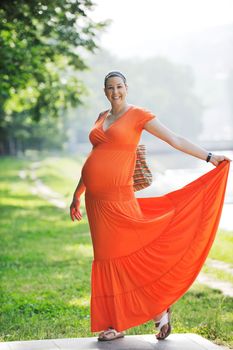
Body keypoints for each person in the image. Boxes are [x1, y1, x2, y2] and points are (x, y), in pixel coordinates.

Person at [70, 71, 231, 341]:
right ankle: (120, 322)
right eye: (110, 88)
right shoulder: (101, 116)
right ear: (104, 90)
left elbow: (174, 139)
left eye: (119, 86)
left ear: (126, 88)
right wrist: (77, 194)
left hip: (118, 199)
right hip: (95, 202)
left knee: (129, 256)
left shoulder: (138, 115)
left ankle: (154, 310)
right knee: (107, 259)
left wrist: (210, 156)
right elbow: (94, 157)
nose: (115, 92)